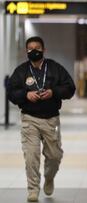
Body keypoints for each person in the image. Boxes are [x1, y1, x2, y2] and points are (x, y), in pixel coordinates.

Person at [7, 36, 76, 202]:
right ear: (26, 51)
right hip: (29, 119)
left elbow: (70, 88)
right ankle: (33, 188)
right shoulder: (21, 71)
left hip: (51, 120)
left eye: (37, 48)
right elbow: (11, 92)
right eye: (30, 49)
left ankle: (49, 177)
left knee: (54, 156)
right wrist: (26, 94)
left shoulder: (54, 68)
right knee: (31, 156)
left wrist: (54, 92)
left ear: (43, 50)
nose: (34, 51)